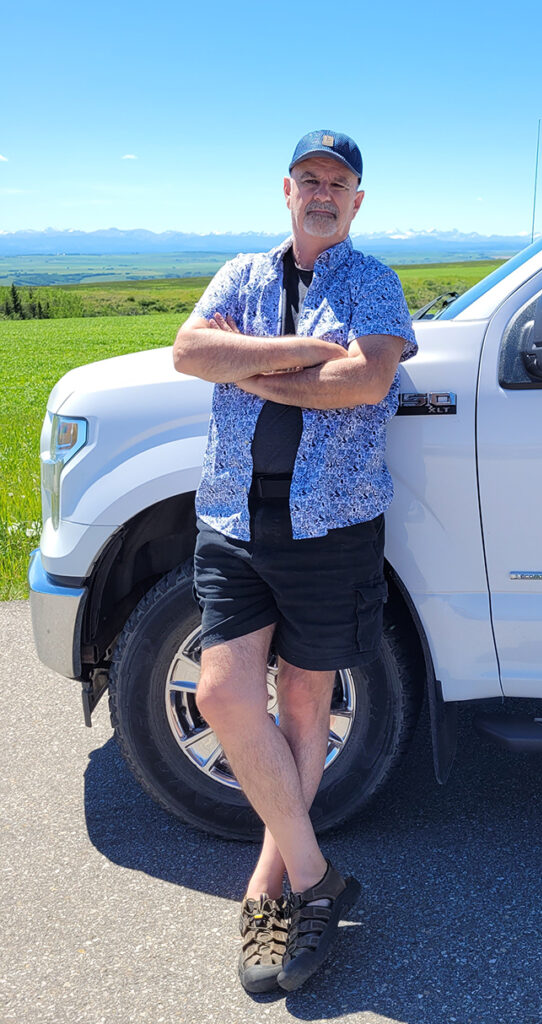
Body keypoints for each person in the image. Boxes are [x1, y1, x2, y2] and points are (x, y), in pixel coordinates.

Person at [173, 130, 416, 993]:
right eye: (309, 178)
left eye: (338, 182)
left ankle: (269, 890)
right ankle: (316, 878)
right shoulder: (241, 274)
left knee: (306, 700)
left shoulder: (373, 282)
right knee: (223, 692)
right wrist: (309, 351)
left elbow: (366, 381)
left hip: (330, 524)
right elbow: (190, 351)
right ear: (286, 190)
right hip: (235, 517)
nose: (322, 192)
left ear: (357, 200)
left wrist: (261, 367)